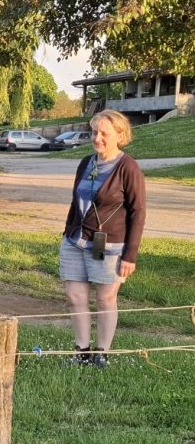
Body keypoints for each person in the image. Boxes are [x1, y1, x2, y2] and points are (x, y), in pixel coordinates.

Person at [59, 110, 146, 368]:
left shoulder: (128, 168)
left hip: (110, 246)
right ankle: (82, 352)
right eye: (95, 132)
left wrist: (130, 255)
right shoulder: (86, 163)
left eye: (104, 134)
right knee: (76, 297)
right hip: (76, 241)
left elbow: (138, 212)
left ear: (120, 136)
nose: (97, 138)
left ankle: (102, 354)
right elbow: (76, 202)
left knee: (105, 299)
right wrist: (68, 231)